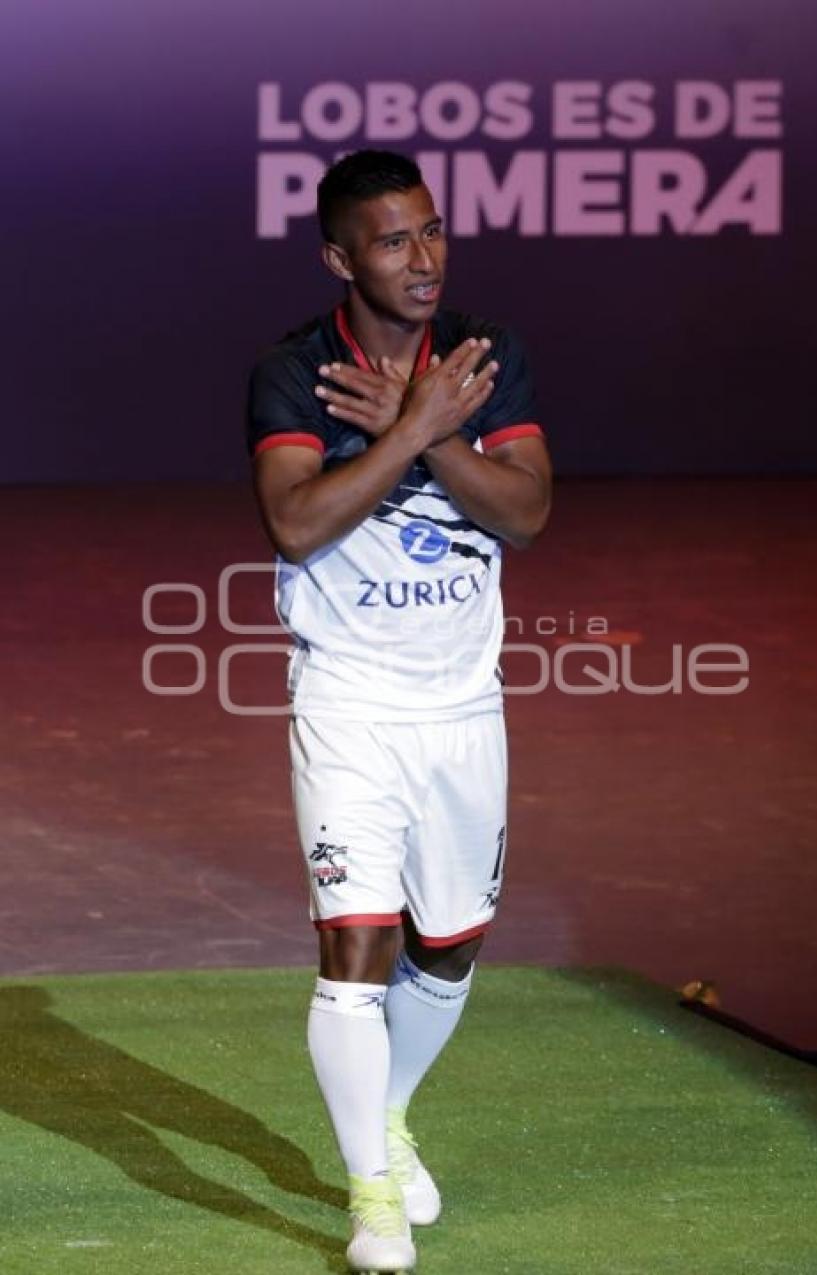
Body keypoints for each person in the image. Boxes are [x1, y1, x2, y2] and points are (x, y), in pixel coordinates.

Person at [246, 149, 551, 1273]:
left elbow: (524, 513)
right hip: (349, 700)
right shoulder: (293, 374)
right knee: (357, 948)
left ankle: (385, 1120)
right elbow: (296, 524)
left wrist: (430, 429)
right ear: (339, 257)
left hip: (464, 705)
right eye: (391, 240)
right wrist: (412, 433)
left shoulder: (484, 358)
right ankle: (371, 1197)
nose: (421, 258)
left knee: (450, 954)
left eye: (429, 231)